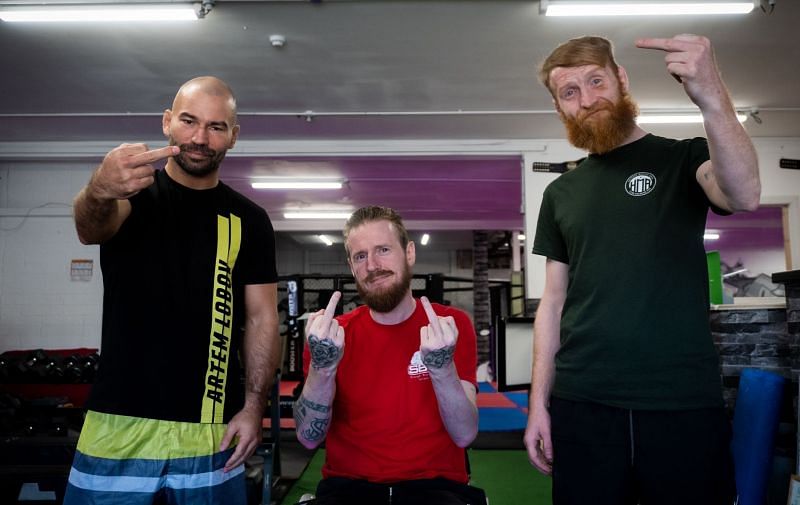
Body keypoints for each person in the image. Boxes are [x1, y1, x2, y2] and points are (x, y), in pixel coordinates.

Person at [524, 35, 760, 505]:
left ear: (622, 79)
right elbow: (553, 303)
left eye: (596, 80)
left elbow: (744, 194)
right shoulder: (561, 194)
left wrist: (711, 92)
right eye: (570, 92)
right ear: (559, 108)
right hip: (583, 402)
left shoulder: (684, 158)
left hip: (681, 401)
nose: (588, 99)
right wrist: (537, 405)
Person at [63, 76, 280, 505]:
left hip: (211, 428)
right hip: (117, 423)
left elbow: (262, 318)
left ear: (233, 137)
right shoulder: (131, 195)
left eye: (216, 127)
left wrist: (254, 407)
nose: (200, 138)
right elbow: (89, 228)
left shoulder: (250, 220)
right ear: (166, 122)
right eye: (188, 121)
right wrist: (98, 189)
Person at [294, 206, 485, 505]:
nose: (372, 265)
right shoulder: (331, 336)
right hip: (349, 489)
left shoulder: (450, 326)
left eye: (383, 249)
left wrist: (441, 368)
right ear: (351, 265)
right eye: (360, 256)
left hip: (435, 489)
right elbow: (307, 438)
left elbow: (464, 435)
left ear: (409, 253)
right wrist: (324, 367)